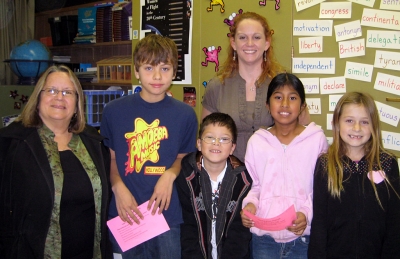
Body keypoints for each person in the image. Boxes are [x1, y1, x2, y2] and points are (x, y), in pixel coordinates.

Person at [100, 34, 198, 258]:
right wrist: (118, 187)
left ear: (174, 73)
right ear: (136, 71)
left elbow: (184, 157)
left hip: (166, 215)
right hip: (126, 212)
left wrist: (169, 175)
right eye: (148, 68)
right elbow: (111, 158)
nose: (157, 76)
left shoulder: (185, 115)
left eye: (165, 68)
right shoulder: (113, 111)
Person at [0, 65, 112, 258]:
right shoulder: (12, 143)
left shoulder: (94, 143)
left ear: (77, 102)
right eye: (51, 90)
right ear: (38, 98)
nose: (59, 97)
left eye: (68, 92)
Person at [201, 12, 310, 162]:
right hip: (229, 178)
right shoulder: (216, 87)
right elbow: (206, 138)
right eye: (242, 37)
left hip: (275, 175)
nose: (250, 43)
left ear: (267, 43)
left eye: (257, 37)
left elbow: (306, 135)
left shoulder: (286, 85)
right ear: (233, 43)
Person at [241, 73, 328, 259]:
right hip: (264, 239)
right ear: (268, 104)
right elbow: (255, 186)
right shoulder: (257, 142)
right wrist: (249, 205)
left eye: (293, 97)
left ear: (302, 105)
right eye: (278, 97)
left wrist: (306, 213)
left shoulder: (316, 140)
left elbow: (321, 189)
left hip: (302, 239)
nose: (285, 104)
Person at [308, 92, 400, 258]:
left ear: (374, 126)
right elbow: (319, 223)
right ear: (337, 123)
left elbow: (394, 223)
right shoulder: (325, 164)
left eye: (364, 122)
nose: (357, 128)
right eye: (349, 120)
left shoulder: (387, 164)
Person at [176, 112, 252, 259]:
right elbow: (188, 228)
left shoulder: (243, 181)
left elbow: (240, 234)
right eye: (209, 137)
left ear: (232, 147)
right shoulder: (186, 176)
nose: (216, 143)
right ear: (199, 143)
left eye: (224, 139)